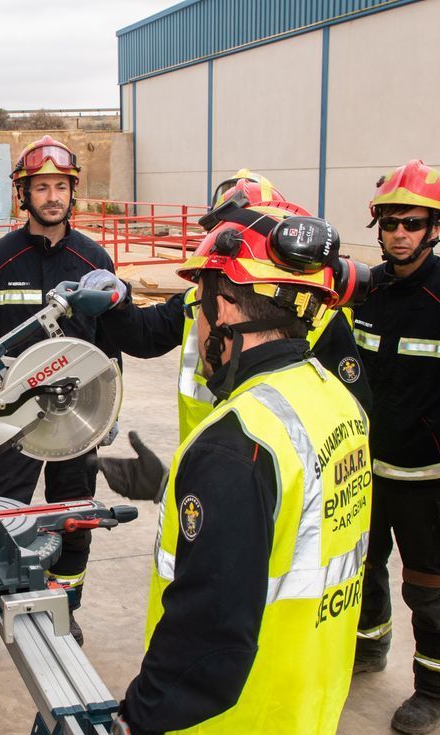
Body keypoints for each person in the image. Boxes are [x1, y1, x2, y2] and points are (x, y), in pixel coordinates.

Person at [81, 202, 372, 735]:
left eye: (203, 304)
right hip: (300, 724)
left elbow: (208, 629)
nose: (200, 326)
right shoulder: (334, 401)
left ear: (230, 306)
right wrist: (173, 488)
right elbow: (290, 529)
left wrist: (133, 731)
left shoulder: (238, 441)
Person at [0, 135, 121, 683]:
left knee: (74, 520)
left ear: (73, 193)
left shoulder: (94, 260)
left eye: (61, 187)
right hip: (13, 421)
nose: (52, 196)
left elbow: (109, 345)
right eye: (41, 186)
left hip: (77, 419)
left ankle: (65, 614)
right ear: (24, 194)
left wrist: (109, 412)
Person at [94, 172, 370, 504]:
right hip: (208, 474)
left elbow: (347, 431)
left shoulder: (324, 319)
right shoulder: (199, 303)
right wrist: (116, 303)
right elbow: (143, 337)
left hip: (270, 486)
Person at [351, 160, 440, 735]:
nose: (400, 233)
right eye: (390, 222)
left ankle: (437, 687)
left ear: (437, 228)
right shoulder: (368, 290)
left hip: (429, 476)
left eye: (413, 222)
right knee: (362, 569)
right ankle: (367, 647)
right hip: (364, 467)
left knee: (430, 588)